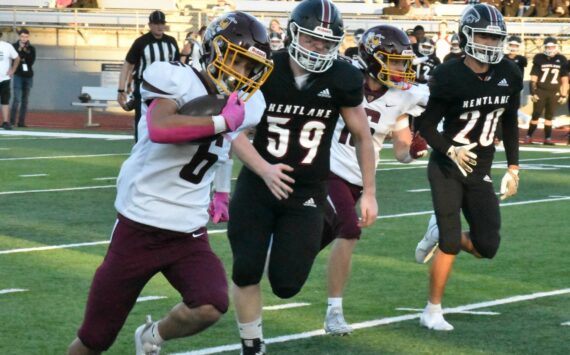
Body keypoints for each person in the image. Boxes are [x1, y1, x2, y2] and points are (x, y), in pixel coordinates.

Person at [67, 11, 274, 355]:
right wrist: (221, 120)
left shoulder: (250, 104)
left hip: (188, 231)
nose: (242, 74)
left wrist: (221, 191)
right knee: (94, 339)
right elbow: (163, 128)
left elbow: (224, 147)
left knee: (210, 304)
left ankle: (152, 335)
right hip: (140, 225)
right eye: (238, 61)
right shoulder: (175, 78)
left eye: (251, 68)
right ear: (214, 50)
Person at [226, 1, 378, 353]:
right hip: (257, 185)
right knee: (246, 269)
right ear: (293, 33)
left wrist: (368, 191)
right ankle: (253, 345)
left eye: (326, 44)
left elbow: (361, 135)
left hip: (306, 190)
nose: (319, 49)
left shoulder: (342, 76)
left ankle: (310, 230)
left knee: (286, 284)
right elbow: (232, 129)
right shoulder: (264, 67)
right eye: (312, 40)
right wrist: (264, 169)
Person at [414, 3, 523, 331]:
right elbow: (427, 125)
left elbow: (510, 121)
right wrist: (450, 149)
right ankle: (432, 310)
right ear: (467, 36)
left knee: (487, 246)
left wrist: (514, 168)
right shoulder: (449, 74)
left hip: (481, 168)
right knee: (449, 244)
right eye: (484, 36)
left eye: (495, 38)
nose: (490, 44)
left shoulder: (509, 73)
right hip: (447, 166)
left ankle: (440, 231)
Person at [319, 25, 429, 336]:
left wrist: (415, 152)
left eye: (402, 62)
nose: (400, 68)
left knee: (302, 255)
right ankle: (334, 312)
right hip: (328, 170)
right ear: (372, 58)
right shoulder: (345, 79)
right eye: (394, 61)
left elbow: (401, 152)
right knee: (350, 231)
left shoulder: (401, 97)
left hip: (359, 179)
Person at [117, 10, 180, 142]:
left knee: (167, 118)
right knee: (142, 120)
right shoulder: (141, 42)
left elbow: (178, 67)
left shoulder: (171, 42)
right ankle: (140, 148)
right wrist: (121, 89)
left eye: (162, 23)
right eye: (156, 23)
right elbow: (127, 65)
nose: (159, 26)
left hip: (167, 88)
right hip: (145, 87)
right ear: (150, 25)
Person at [525, 37, 568, 145]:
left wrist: (564, 94)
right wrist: (533, 92)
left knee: (549, 116)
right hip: (541, 91)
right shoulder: (539, 58)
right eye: (548, 47)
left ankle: (547, 138)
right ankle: (528, 136)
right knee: (536, 114)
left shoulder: (561, 59)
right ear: (544, 47)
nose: (550, 49)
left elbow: (564, 79)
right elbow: (534, 77)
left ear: (556, 47)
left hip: (554, 92)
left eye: (552, 46)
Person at [10, 28, 35, 128]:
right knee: (17, 99)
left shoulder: (31, 48)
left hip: (28, 76)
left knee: (25, 100)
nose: (24, 38)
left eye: (26, 37)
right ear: (19, 37)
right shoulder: (14, 46)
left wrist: (25, 51)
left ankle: (21, 122)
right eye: (22, 36)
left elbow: (31, 62)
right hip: (18, 75)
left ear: (28, 37)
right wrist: (20, 51)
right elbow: (13, 60)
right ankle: (12, 121)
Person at [0, 31, 20, 130]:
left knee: (5, 100)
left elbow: (17, 58)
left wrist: (13, 70)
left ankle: (5, 122)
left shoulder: (7, 46)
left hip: (4, 78)